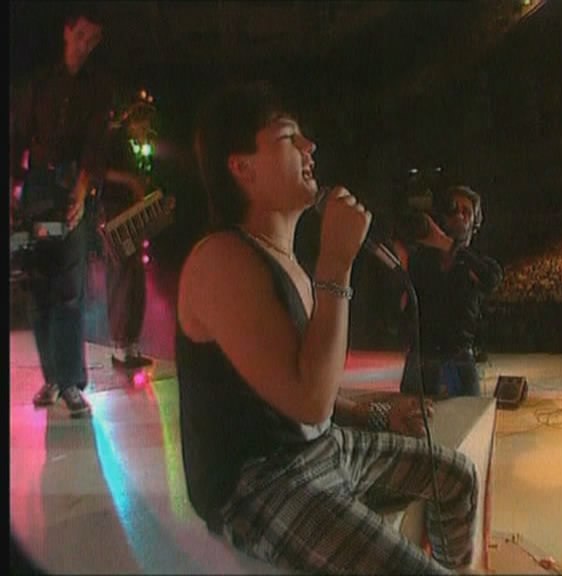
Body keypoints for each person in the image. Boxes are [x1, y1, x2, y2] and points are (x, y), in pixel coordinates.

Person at [177, 82, 480, 574]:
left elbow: (289, 386)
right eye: (287, 137)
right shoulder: (221, 260)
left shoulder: (282, 258)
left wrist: (374, 413)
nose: (309, 147)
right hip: (261, 486)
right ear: (242, 167)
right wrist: (337, 264)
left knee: (457, 477)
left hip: (323, 449)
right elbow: (308, 401)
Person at [10, 5, 112, 417]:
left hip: (73, 185)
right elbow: (17, 137)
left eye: (93, 39)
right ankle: (53, 377)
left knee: (69, 288)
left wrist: (82, 191)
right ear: (67, 32)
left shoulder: (97, 88)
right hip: (37, 186)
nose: (86, 45)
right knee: (39, 284)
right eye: (81, 35)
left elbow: (96, 143)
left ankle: (71, 382)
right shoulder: (39, 84)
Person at [400, 185, 504, 397]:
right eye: (453, 209)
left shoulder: (479, 263)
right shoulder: (420, 259)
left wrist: (447, 245)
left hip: (459, 359)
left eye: (466, 211)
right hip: (421, 358)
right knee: (411, 416)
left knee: (468, 416)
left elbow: (490, 279)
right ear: (442, 216)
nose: (459, 215)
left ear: (475, 222)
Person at [98, 91, 158, 369]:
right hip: (115, 212)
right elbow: (99, 171)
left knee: (134, 280)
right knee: (121, 278)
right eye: (143, 122)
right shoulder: (114, 137)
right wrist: (130, 181)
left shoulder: (136, 144)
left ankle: (131, 345)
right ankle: (121, 346)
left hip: (131, 213)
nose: (146, 129)